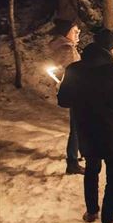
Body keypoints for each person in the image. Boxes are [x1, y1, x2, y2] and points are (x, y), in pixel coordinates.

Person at [57, 29, 113, 223]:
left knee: (92, 170)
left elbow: (63, 100)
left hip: (86, 129)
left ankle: (92, 210)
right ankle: (108, 218)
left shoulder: (74, 70)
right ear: (111, 49)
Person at [49, 18, 83, 175]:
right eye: (75, 31)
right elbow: (72, 71)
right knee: (76, 127)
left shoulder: (66, 47)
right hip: (77, 92)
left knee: (78, 125)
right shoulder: (66, 49)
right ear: (66, 33)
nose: (78, 33)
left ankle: (77, 154)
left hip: (74, 91)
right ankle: (72, 162)